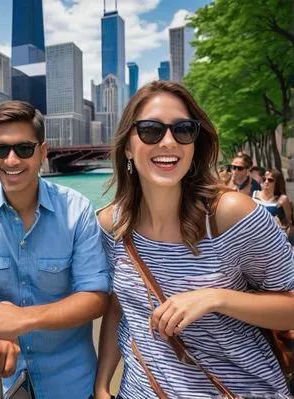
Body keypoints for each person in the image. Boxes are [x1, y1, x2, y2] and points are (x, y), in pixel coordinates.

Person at [95, 81, 294, 399]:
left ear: (195, 144)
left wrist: (216, 298)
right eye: (150, 130)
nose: (169, 141)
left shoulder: (231, 215)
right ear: (128, 147)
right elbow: (119, 306)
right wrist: (103, 385)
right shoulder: (112, 224)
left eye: (184, 130)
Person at [0, 100, 110, 399]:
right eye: (0, 150)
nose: (12, 160)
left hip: (72, 385)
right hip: (4, 385)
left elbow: (95, 297)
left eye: (24, 149)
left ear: (43, 152)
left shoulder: (77, 209)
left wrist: (20, 319)